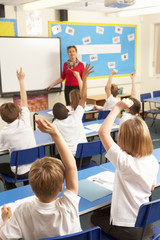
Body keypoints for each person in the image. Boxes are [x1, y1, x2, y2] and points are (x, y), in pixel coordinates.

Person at [0, 119, 81, 240]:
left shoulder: (23, 211)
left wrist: (5, 220)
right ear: (61, 188)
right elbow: (71, 167)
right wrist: (55, 133)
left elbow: (3, 237)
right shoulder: (69, 206)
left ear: (32, 188)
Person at [90, 98, 159, 240]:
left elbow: (103, 132)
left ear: (123, 139)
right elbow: (151, 187)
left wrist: (117, 107)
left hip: (129, 230)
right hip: (148, 225)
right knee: (106, 213)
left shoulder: (124, 161)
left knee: (94, 218)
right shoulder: (152, 160)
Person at [0, 67, 36, 189]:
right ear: (19, 115)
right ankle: (28, 186)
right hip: (35, 168)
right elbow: (24, 101)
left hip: (19, 173)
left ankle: (11, 188)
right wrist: (21, 80)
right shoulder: (25, 121)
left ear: (3, 119)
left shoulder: (4, 133)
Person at [52, 63, 94, 167]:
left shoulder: (55, 124)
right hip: (86, 157)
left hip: (71, 160)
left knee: (52, 160)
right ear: (67, 111)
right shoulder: (76, 116)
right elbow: (83, 97)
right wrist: (84, 78)